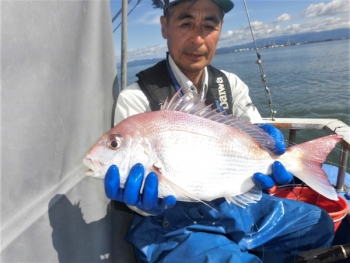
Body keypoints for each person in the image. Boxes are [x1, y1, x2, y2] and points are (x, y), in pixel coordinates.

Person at [105, 0, 334, 262]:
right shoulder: (136, 99)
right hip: (172, 226)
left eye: (209, 26)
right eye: (186, 23)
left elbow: (258, 136)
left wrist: (271, 145)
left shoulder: (230, 84)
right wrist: (142, 205)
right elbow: (131, 178)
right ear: (164, 26)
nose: (198, 38)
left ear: (221, 29)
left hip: (233, 202)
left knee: (319, 224)